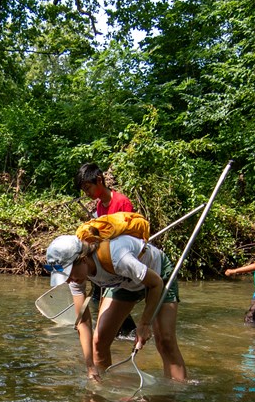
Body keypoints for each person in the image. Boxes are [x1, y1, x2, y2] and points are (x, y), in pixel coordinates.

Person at [44, 232, 187, 381]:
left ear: (83, 259)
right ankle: (104, 394)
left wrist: (145, 323)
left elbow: (156, 283)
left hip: (157, 275)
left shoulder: (119, 258)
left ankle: (176, 395)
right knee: (99, 342)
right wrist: (90, 366)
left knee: (165, 341)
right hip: (123, 283)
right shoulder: (76, 278)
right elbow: (83, 322)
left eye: (69, 273)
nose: (68, 280)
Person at [75, 162, 138, 338]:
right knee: (98, 299)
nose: (87, 193)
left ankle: (129, 333)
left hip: (120, 262)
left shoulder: (121, 202)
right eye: (84, 190)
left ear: (99, 180)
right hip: (105, 261)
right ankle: (120, 333)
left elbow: (130, 236)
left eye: (88, 188)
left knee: (109, 300)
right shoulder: (100, 206)